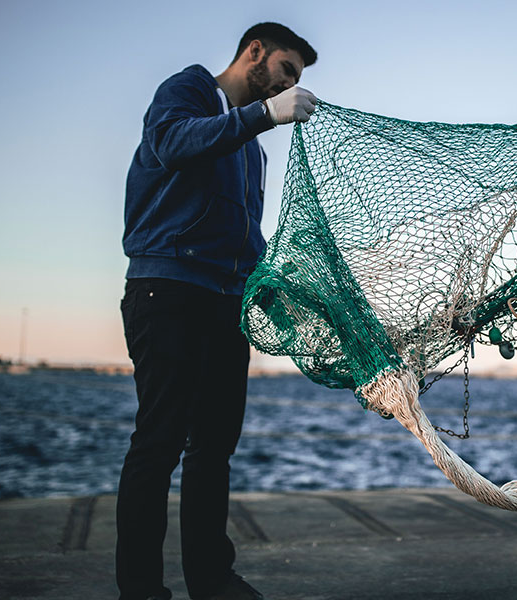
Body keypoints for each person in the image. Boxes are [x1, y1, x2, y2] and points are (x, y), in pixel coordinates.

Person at [117, 22, 317, 600]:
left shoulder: (251, 154)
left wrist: (279, 295)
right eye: (285, 70)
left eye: (294, 81)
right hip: (167, 292)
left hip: (226, 305)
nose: (288, 85)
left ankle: (211, 579)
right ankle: (141, 589)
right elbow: (175, 143)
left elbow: (244, 237)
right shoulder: (186, 91)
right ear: (254, 52)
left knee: (213, 447)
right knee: (158, 443)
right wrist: (265, 114)